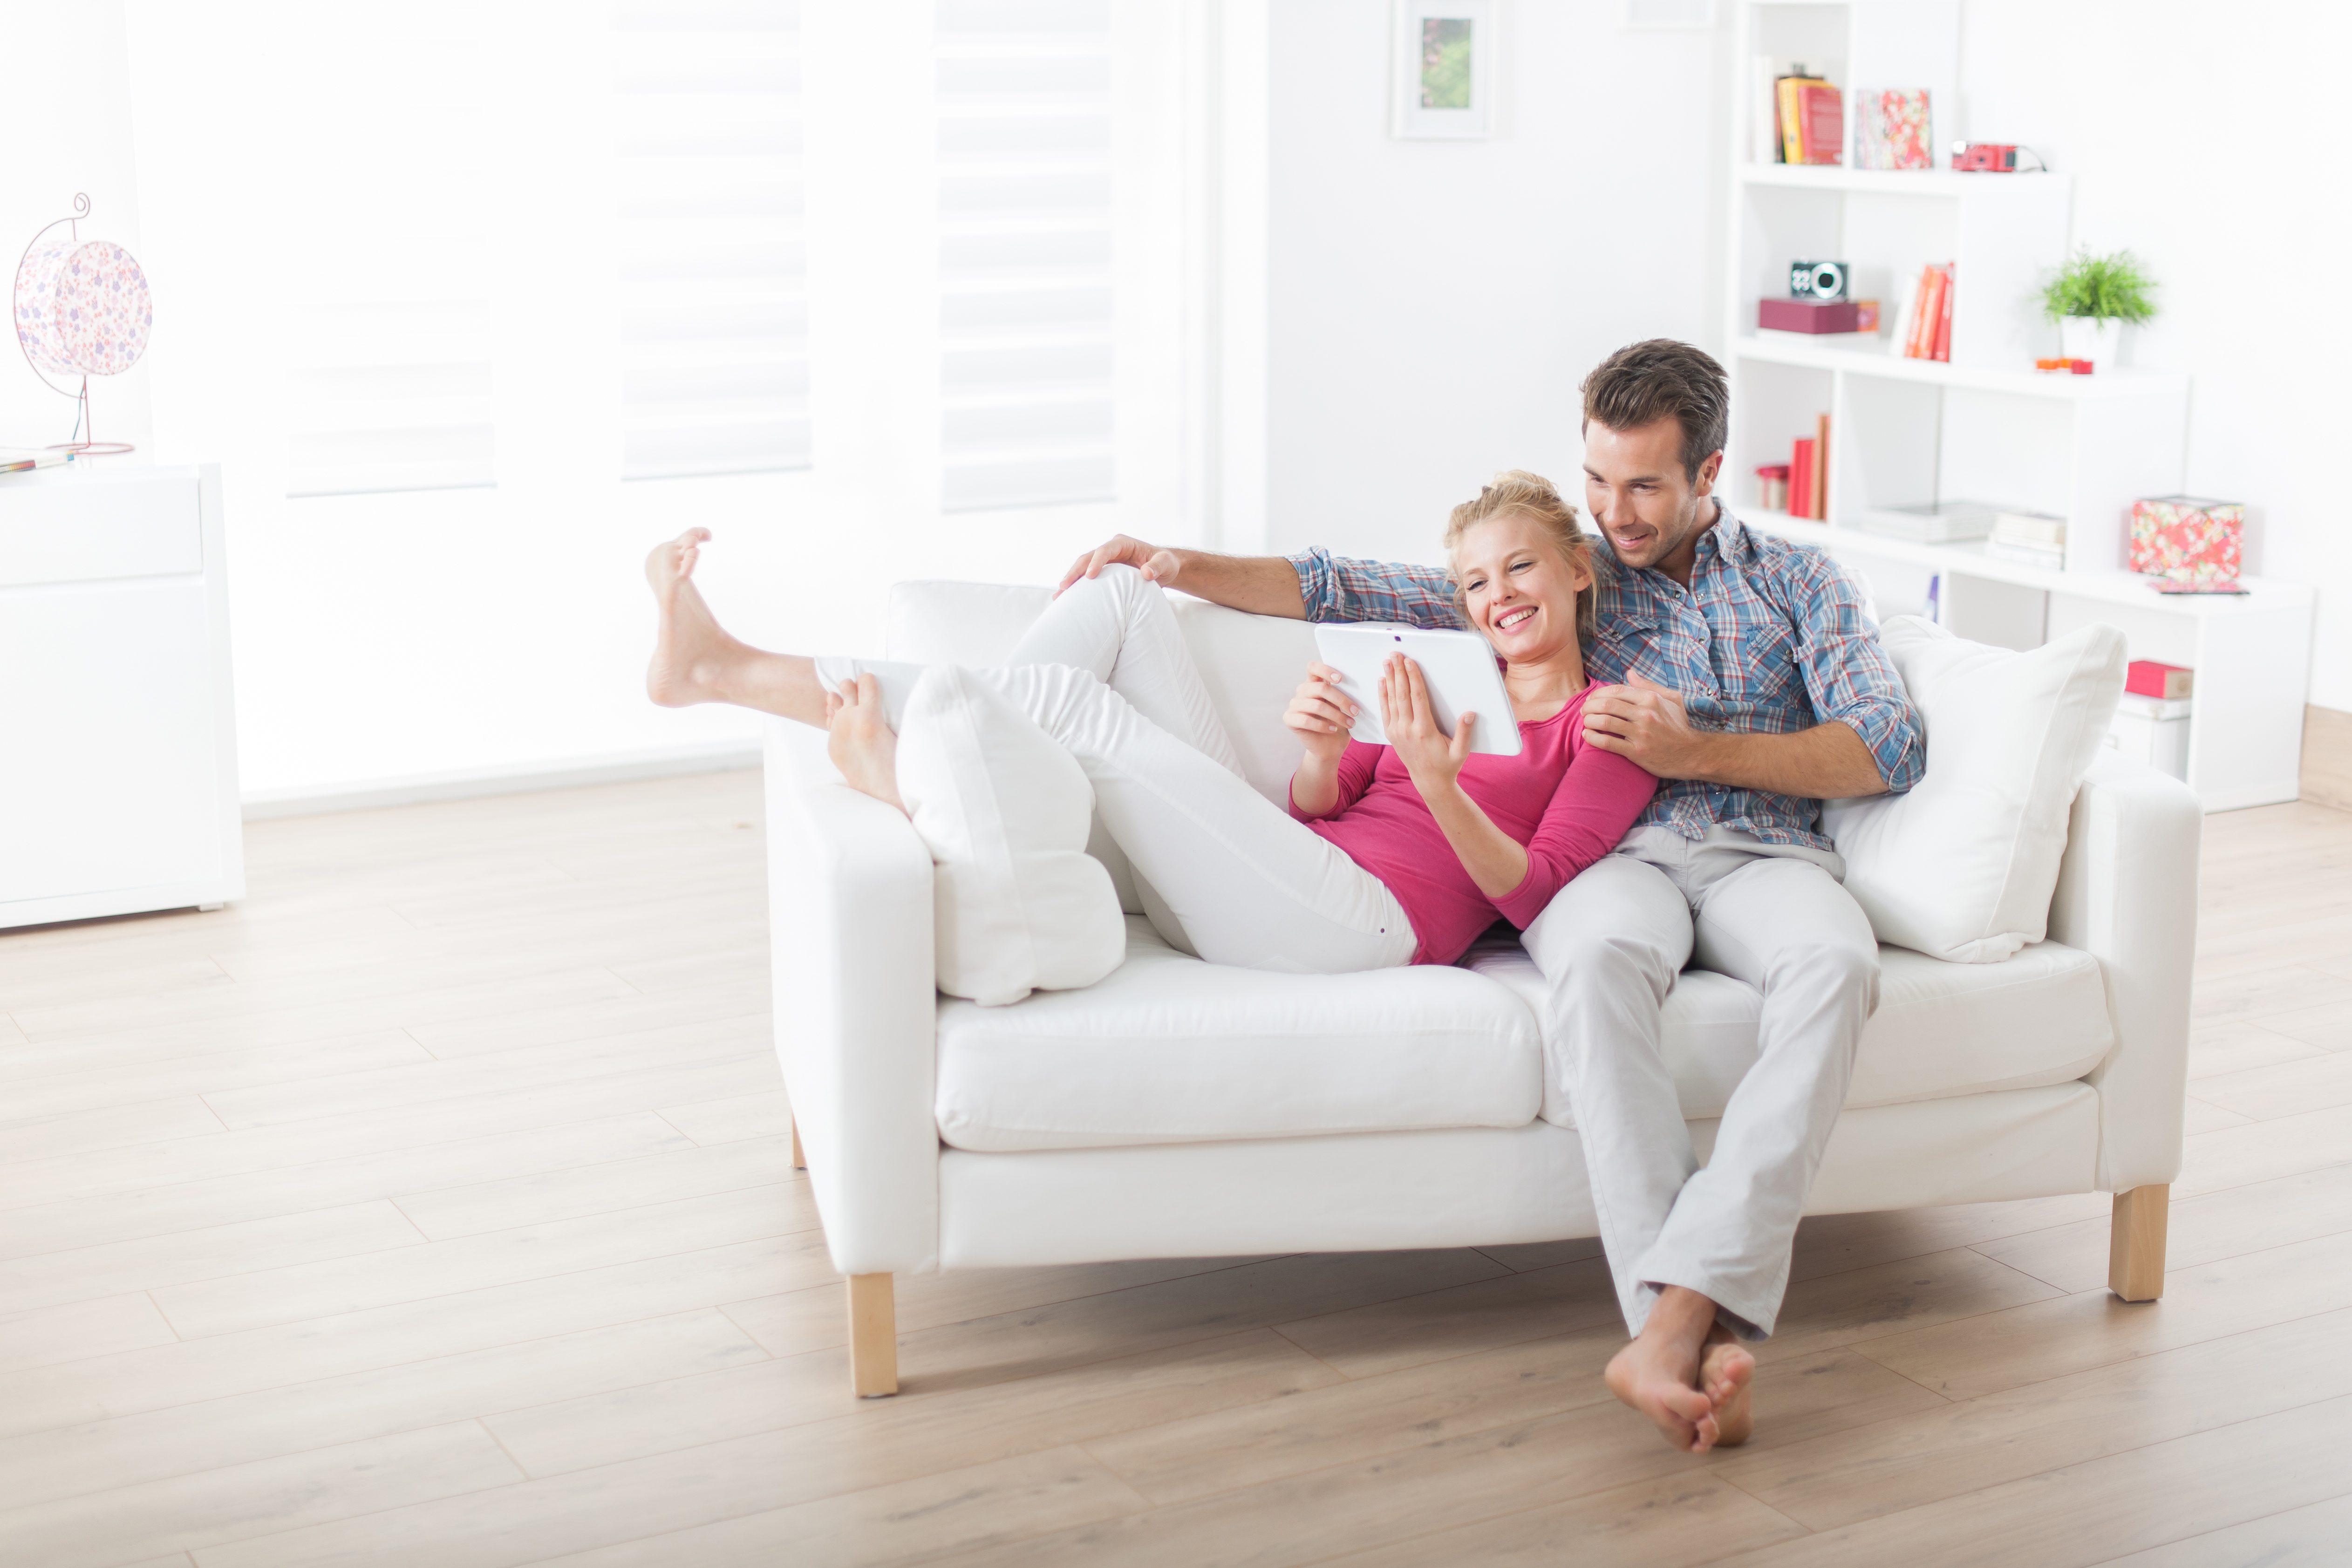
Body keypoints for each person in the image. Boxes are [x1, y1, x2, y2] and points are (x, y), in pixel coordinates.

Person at [1055, 339, 1924, 1454]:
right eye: (1598, 482)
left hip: (1761, 857)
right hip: (1606, 864)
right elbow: (1345, 584)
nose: (1616, 512)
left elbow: (1885, 745)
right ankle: (1674, 1340)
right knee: (1602, 968)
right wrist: (1172, 562)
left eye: (1646, 486)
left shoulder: (1797, 582)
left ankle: (1677, 1323)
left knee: (1838, 968)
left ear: (1709, 475)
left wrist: (1700, 748)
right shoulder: (1564, 569)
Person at [643, 471, 1655, 986]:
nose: (1498, 596)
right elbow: (1327, 800)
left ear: (1575, 569)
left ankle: (815, 720)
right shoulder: (1441, 676)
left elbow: (1529, 897)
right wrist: (1316, 752)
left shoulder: (1600, 725)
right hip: (1274, 872)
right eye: (1476, 582)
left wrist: (1436, 783)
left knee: (1079, 712)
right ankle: (766, 688)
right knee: (1127, 596)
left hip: (1363, 928)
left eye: (1519, 569)